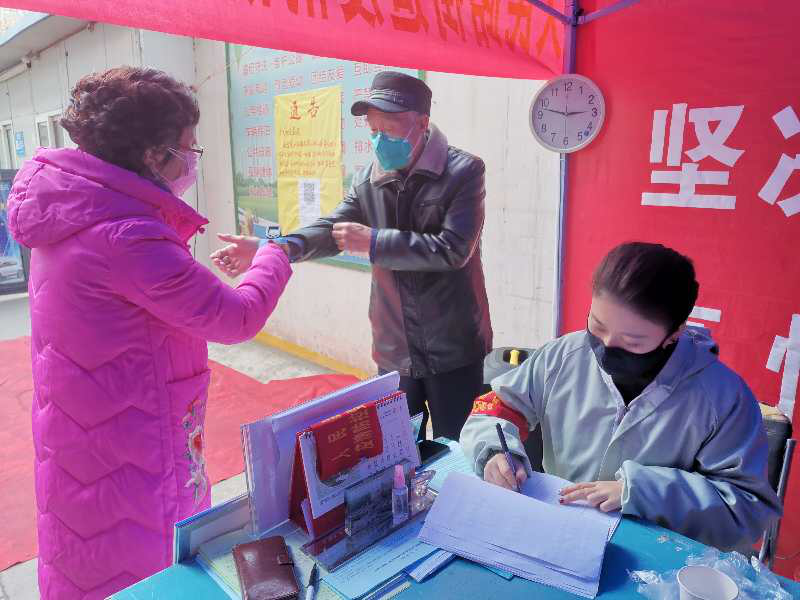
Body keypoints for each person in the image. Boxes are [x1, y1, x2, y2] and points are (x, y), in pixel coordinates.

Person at [7, 67, 292, 600]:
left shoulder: (73, 209)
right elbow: (236, 317)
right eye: (190, 149)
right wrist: (275, 254)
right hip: (131, 447)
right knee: (142, 572)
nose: (193, 162)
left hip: (90, 431)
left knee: (86, 555)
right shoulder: (127, 235)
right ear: (154, 155)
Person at [212, 71, 492, 441]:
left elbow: (453, 249)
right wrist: (273, 247)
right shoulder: (367, 179)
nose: (379, 140)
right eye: (373, 130)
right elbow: (332, 229)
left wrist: (375, 242)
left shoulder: (463, 171)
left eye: (388, 129)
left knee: (457, 447)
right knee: (398, 448)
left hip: (453, 345)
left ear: (422, 123)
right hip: (395, 346)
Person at [460, 242, 781, 552]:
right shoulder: (564, 355)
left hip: (655, 555)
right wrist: (495, 453)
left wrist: (641, 491)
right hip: (559, 533)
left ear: (675, 334)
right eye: (597, 326)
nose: (606, 348)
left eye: (632, 342)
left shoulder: (722, 399)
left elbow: (746, 509)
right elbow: (498, 407)